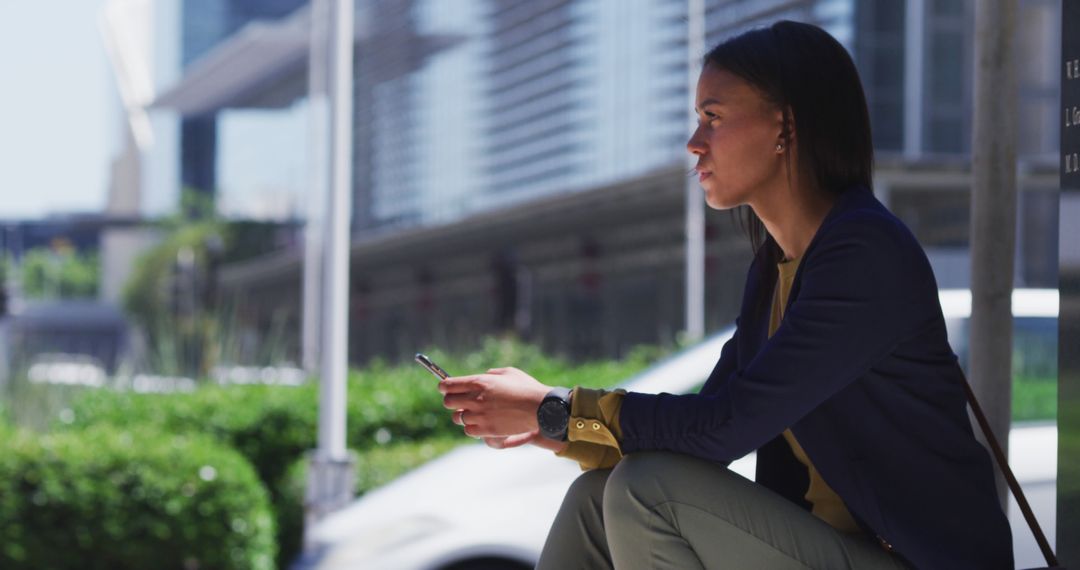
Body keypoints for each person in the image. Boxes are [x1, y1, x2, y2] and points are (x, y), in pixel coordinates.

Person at [438, 20, 1012, 570]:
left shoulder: (863, 254)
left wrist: (556, 405)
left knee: (646, 491)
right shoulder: (775, 270)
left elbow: (725, 425)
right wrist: (553, 426)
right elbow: (700, 439)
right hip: (825, 550)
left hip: (907, 560)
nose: (694, 144)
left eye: (713, 117)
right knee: (599, 494)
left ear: (785, 128)